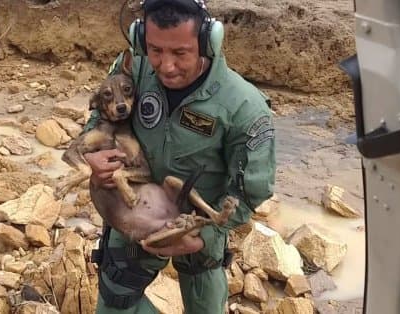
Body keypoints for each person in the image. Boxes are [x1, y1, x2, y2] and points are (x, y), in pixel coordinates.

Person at [83, 0, 276, 313]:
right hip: (137, 211)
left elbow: (251, 190)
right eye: (156, 49)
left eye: (180, 53)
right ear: (140, 37)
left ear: (207, 41)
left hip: (198, 225)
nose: (166, 65)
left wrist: (205, 235)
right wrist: (96, 152)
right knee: (115, 304)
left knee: (204, 304)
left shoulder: (244, 106)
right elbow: (101, 114)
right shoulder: (135, 66)